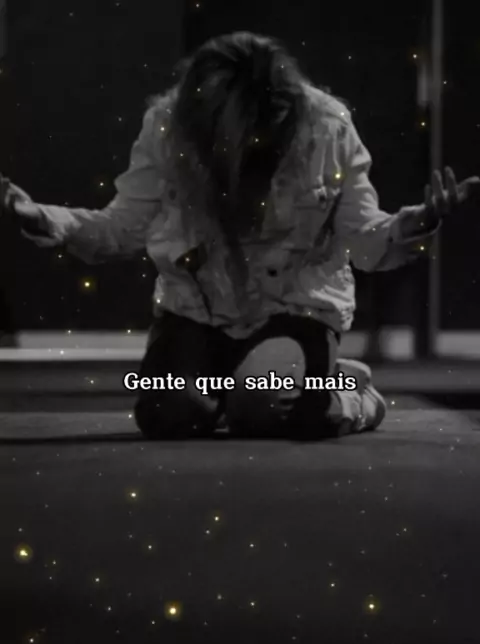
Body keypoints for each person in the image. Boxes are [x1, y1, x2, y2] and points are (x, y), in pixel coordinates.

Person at [0, 32, 478, 439]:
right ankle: (247, 383)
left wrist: (413, 224)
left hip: (293, 310)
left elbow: (364, 240)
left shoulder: (328, 129)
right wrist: (50, 220)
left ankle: (346, 390)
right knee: (169, 411)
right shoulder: (168, 127)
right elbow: (123, 226)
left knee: (264, 406)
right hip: (197, 312)